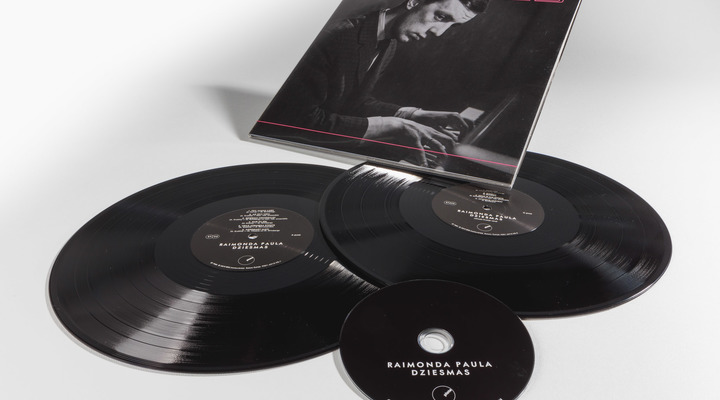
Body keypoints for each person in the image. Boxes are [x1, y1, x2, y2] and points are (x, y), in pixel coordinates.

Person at [259, 0, 490, 167]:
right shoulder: (336, 36)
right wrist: (392, 126)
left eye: (452, 25)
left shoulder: (387, 41)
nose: (439, 33)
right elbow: (295, 121)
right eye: (441, 17)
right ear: (413, 2)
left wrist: (413, 115)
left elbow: (352, 101)